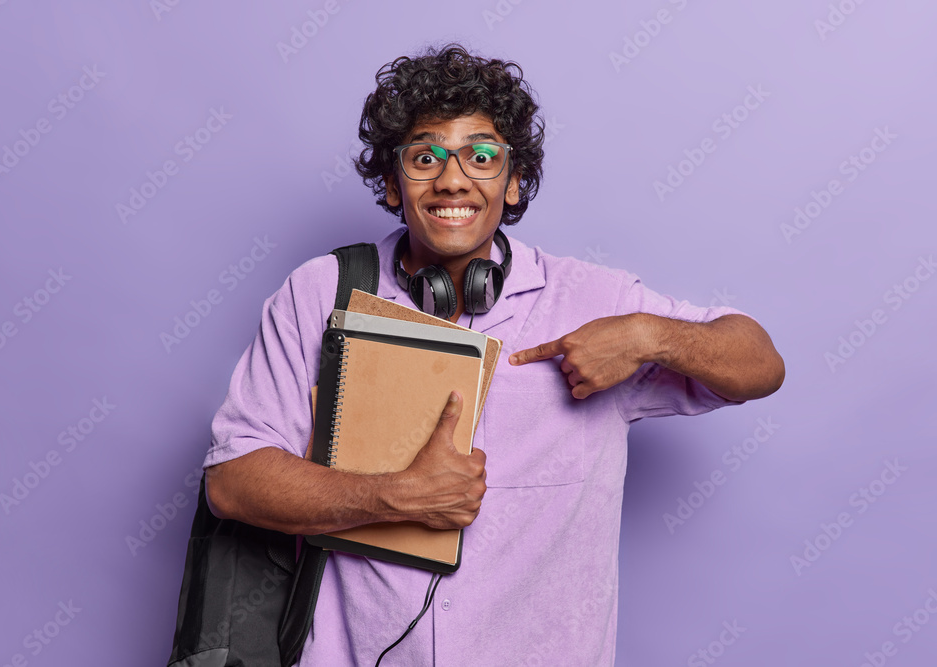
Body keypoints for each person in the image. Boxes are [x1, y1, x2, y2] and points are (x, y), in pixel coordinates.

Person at [202, 43, 785, 666]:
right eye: (425, 157)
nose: (453, 178)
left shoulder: (594, 301)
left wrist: (648, 335)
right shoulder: (318, 294)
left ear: (513, 184)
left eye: (482, 156)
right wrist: (390, 497)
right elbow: (233, 483)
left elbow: (759, 365)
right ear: (394, 187)